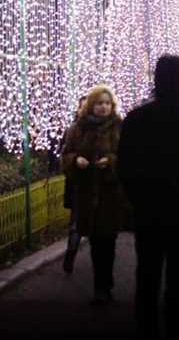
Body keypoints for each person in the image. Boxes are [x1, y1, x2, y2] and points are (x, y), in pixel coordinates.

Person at [117, 55, 179, 340]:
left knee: (147, 274)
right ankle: (175, 330)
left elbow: (125, 165)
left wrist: (135, 201)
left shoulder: (136, 117)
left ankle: (147, 329)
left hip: (148, 210)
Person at [61, 86, 125, 305]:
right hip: (87, 194)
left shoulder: (119, 127)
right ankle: (101, 287)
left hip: (111, 195)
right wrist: (75, 160)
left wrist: (112, 161)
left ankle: (105, 283)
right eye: (99, 103)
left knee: (109, 241)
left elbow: (128, 157)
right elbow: (66, 155)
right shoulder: (78, 129)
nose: (103, 107)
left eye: (107, 103)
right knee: (97, 242)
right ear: (91, 105)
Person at [62, 94, 86, 274]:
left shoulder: (107, 129)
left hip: (101, 184)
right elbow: (64, 156)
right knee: (77, 223)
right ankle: (71, 252)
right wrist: (76, 160)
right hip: (79, 184)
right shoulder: (72, 130)